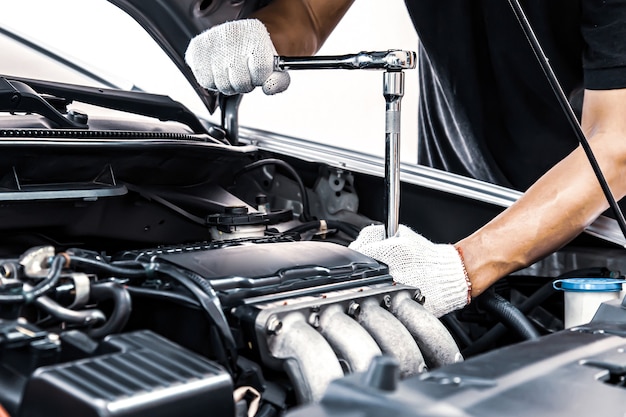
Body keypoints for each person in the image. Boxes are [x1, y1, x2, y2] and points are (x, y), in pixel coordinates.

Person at [185, 0, 626, 318]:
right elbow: (307, 10)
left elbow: (614, 146)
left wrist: (462, 267)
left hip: (598, 239)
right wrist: (261, 35)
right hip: (455, 202)